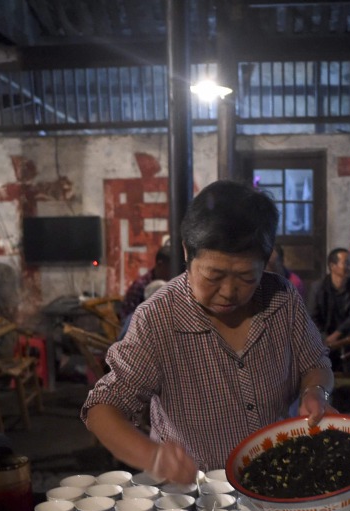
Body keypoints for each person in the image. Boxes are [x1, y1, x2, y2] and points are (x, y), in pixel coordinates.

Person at [81, 180, 334, 484]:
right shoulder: (159, 317)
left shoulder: (281, 299)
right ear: (187, 252)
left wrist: (314, 392)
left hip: (278, 478)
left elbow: (315, 363)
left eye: (245, 277)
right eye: (213, 276)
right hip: (198, 495)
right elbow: (102, 408)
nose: (229, 292)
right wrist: (153, 457)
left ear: (266, 262)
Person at [307, 248, 350, 366]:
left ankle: (349, 375)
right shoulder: (318, 288)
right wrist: (324, 337)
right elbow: (312, 317)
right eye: (347, 263)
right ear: (332, 266)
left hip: (345, 334)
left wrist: (335, 336)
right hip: (323, 332)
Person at [121, 239, 172, 319]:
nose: (172, 272)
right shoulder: (140, 286)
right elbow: (128, 317)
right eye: (170, 268)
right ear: (160, 265)